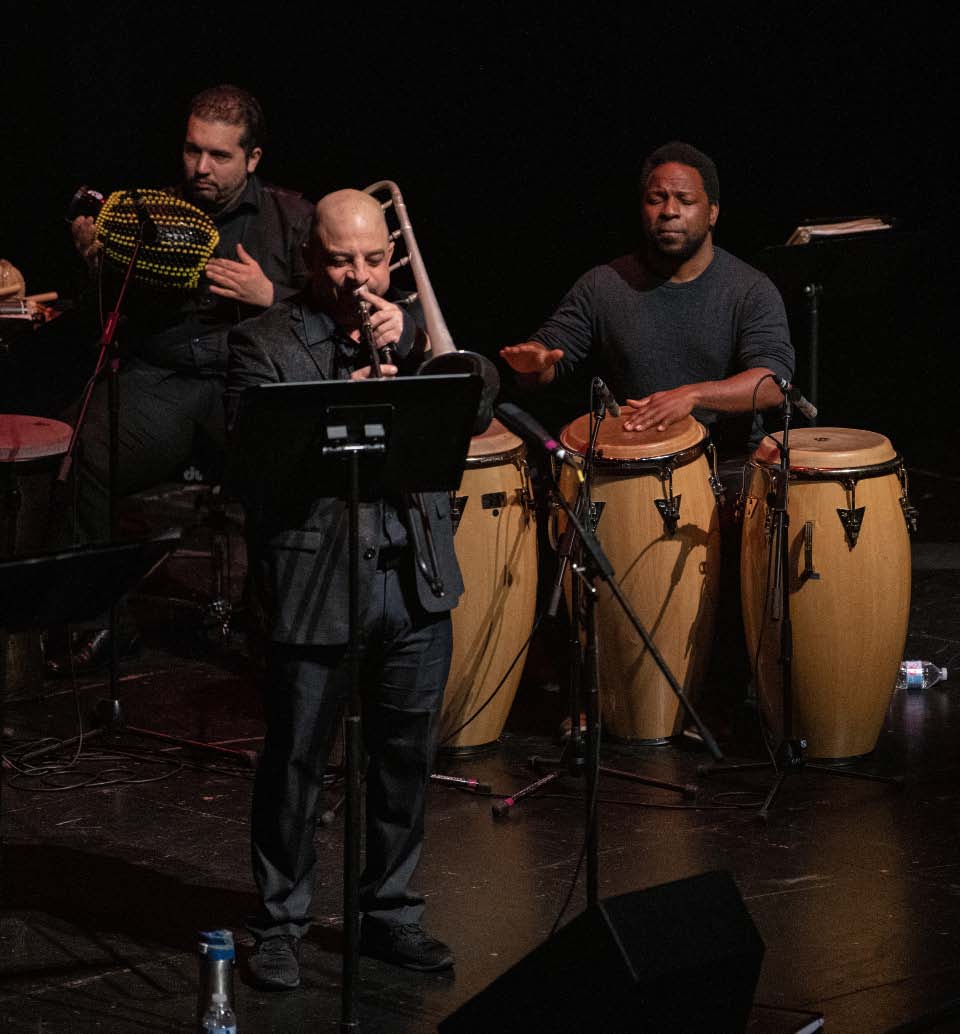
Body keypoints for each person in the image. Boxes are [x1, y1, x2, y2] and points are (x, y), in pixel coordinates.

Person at [225, 189, 461, 990]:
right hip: (316, 581)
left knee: (403, 759)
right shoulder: (264, 344)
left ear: (390, 258)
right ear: (310, 261)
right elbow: (256, 463)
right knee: (294, 763)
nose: (358, 276)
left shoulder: (418, 332)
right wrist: (353, 378)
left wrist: (420, 347)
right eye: (339, 259)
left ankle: (389, 912)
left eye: (371, 259)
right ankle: (281, 923)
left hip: (415, 580)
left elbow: (481, 395)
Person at [50, 84, 313, 673]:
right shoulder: (152, 212)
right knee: (75, 452)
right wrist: (95, 260)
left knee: (291, 471)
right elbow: (102, 315)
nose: (201, 167)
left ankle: (273, 627)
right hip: (164, 379)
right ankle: (97, 625)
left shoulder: (291, 219)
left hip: (249, 384)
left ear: (253, 158)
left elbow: (336, 311)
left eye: (219, 156)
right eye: (193, 150)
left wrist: (270, 296)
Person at [499, 140, 794, 455]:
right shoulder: (603, 285)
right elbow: (547, 362)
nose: (669, 211)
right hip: (630, 466)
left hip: (727, 467)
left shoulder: (749, 289)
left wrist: (691, 396)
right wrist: (533, 365)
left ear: (712, 213)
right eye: (656, 199)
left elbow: (773, 384)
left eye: (685, 199)